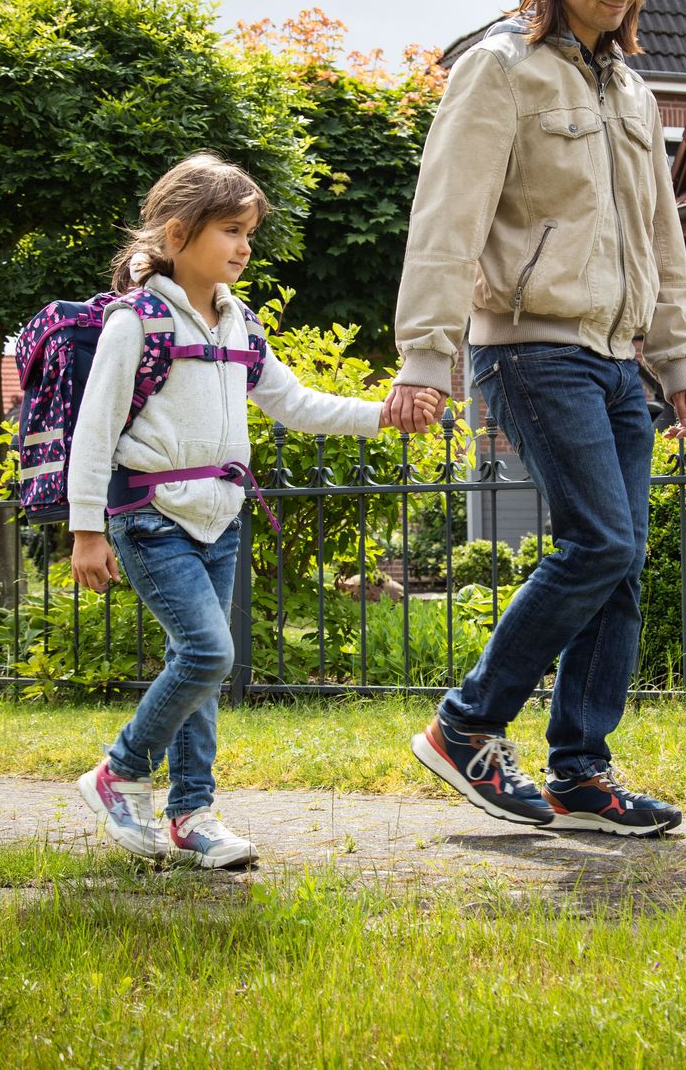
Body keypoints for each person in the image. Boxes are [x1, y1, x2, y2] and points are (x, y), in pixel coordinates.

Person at [383, 0, 686, 838]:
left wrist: (680, 357)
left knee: (624, 560)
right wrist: (423, 356)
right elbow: (447, 217)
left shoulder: (634, 89)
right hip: (529, 345)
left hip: (616, 355)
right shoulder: (500, 71)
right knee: (599, 542)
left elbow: (663, 233)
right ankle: (468, 724)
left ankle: (580, 773)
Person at [68, 152, 440, 866]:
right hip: (151, 516)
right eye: (231, 231)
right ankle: (119, 772)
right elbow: (95, 429)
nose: (244, 247)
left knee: (198, 665)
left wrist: (382, 416)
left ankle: (191, 814)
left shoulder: (240, 323)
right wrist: (87, 530)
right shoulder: (135, 322)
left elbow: (295, 403)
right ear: (177, 236)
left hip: (220, 517)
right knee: (209, 653)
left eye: (249, 234)